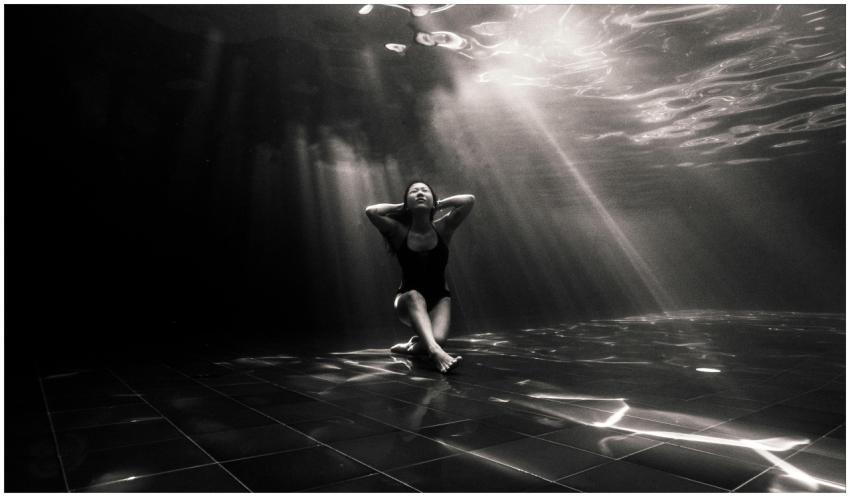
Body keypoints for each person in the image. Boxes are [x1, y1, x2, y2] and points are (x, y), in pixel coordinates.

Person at [365, 181, 475, 373]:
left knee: (438, 339)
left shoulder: (444, 228)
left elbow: (468, 200)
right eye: (414, 191)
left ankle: (412, 347)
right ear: (407, 202)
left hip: (440, 298)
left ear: (433, 200)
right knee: (416, 297)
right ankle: (435, 352)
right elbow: (371, 212)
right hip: (407, 300)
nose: (420, 193)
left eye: (425, 191)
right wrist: (401, 207)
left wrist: (438, 204)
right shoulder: (399, 231)